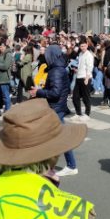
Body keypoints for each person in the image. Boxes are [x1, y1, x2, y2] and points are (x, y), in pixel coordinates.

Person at [31, 45, 79, 177]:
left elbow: (55, 92)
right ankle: (68, 165)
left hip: (56, 108)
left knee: (53, 138)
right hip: (57, 107)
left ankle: (69, 165)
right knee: (55, 137)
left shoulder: (56, 70)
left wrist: (39, 92)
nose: (45, 56)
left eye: (47, 54)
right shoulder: (57, 68)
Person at [72, 37, 93, 120]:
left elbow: (89, 67)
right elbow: (81, 65)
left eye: (84, 46)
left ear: (87, 45)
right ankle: (78, 112)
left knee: (86, 97)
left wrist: (87, 78)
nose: (82, 48)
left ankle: (87, 114)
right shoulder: (80, 54)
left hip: (85, 77)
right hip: (78, 77)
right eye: (81, 46)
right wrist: (76, 70)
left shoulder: (89, 55)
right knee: (75, 96)